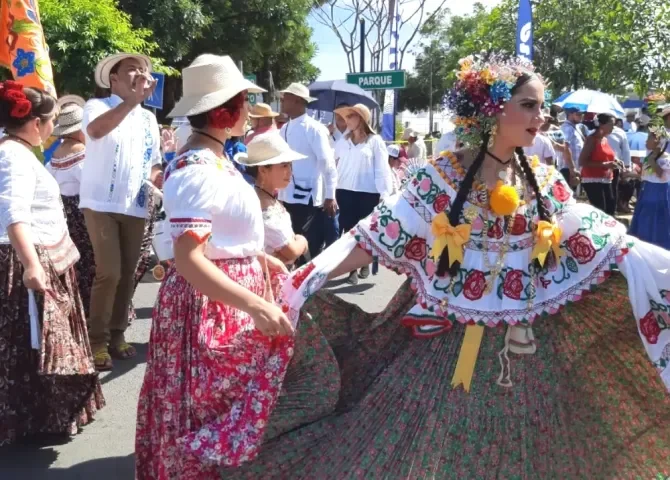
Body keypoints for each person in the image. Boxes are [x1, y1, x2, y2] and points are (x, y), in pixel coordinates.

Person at [224, 54, 670, 478]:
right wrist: (306, 278)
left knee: (532, 439)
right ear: (494, 110)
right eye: (529, 106)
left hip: (532, 344)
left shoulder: (545, 181)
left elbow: (604, 239)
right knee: (436, 437)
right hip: (448, 341)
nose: (541, 117)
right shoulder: (442, 177)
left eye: (542, 107)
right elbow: (374, 236)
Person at [135, 54, 294, 480]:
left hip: (226, 295)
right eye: (245, 102)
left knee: (227, 406)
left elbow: (216, 239)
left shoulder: (216, 162)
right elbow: (188, 259)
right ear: (229, 110)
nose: (249, 112)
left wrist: (257, 257)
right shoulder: (197, 170)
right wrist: (256, 305)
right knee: (210, 407)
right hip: (210, 305)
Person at [0, 80, 104, 446]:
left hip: (38, 253)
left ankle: (38, 415)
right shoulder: (13, 156)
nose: (51, 128)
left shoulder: (17, 152)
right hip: (26, 255)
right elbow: (14, 215)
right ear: (34, 123)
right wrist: (31, 264)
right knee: (32, 343)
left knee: (31, 345)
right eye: (50, 121)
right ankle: (33, 418)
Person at [80, 53, 163, 371]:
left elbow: (153, 160)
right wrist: (130, 101)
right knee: (109, 272)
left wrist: (158, 180)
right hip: (100, 203)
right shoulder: (96, 106)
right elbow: (97, 131)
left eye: (143, 71)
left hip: (136, 205)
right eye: (132, 70)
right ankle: (96, 340)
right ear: (113, 79)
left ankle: (117, 335)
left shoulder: (149, 118)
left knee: (129, 275)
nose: (140, 74)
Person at [45, 96, 96, 319]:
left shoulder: (56, 154)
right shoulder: (82, 153)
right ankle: (90, 310)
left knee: (72, 261)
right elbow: (89, 185)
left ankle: (77, 309)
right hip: (82, 211)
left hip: (62, 212)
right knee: (90, 261)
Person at [333, 103, 393, 285]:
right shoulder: (342, 141)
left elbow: (382, 169)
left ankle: (364, 263)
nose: (347, 120)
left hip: (367, 193)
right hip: (344, 191)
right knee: (347, 230)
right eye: (347, 116)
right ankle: (352, 269)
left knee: (364, 231)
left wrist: (385, 194)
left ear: (361, 118)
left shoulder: (375, 142)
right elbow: (333, 164)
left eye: (351, 116)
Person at [278, 83, 338, 262]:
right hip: (288, 195)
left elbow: (327, 164)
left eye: (285, 97)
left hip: (309, 197)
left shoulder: (315, 129)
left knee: (309, 244)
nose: (282, 101)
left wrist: (330, 194)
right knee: (291, 241)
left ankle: (309, 283)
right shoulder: (284, 128)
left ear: (297, 101)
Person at [237, 133, 309, 266]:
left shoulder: (267, 197)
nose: (290, 172)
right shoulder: (264, 208)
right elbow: (291, 251)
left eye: (289, 166)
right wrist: (303, 241)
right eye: (284, 166)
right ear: (263, 170)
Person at [629, 126, 670, 249]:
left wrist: (653, 161)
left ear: (658, 140)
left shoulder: (665, 158)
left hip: (658, 193)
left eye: (649, 138)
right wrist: (629, 174)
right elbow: (645, 176)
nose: (646, 141)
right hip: (646, 191)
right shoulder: (650, 155)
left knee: (656, 220)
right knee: (644, 220)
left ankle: (657, 246)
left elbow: (662, 176)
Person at [579, 113, 618, 215]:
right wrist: (605, 165)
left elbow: (605, 156)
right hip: (592, 180)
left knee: (610, 209)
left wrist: (616, 161)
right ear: (601, 124)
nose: (613, 127)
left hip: (606, 179)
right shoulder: (592, 139)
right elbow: (582, 161)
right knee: (601, 210)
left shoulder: (605, 139)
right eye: (611, 124)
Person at [607, 118, 632, 213]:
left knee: (613, 188)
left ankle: (613, 210)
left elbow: (626, 150)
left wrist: (627, 166)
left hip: (615, 165)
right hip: (599, 166)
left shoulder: (620, 133)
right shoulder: (594, 133)